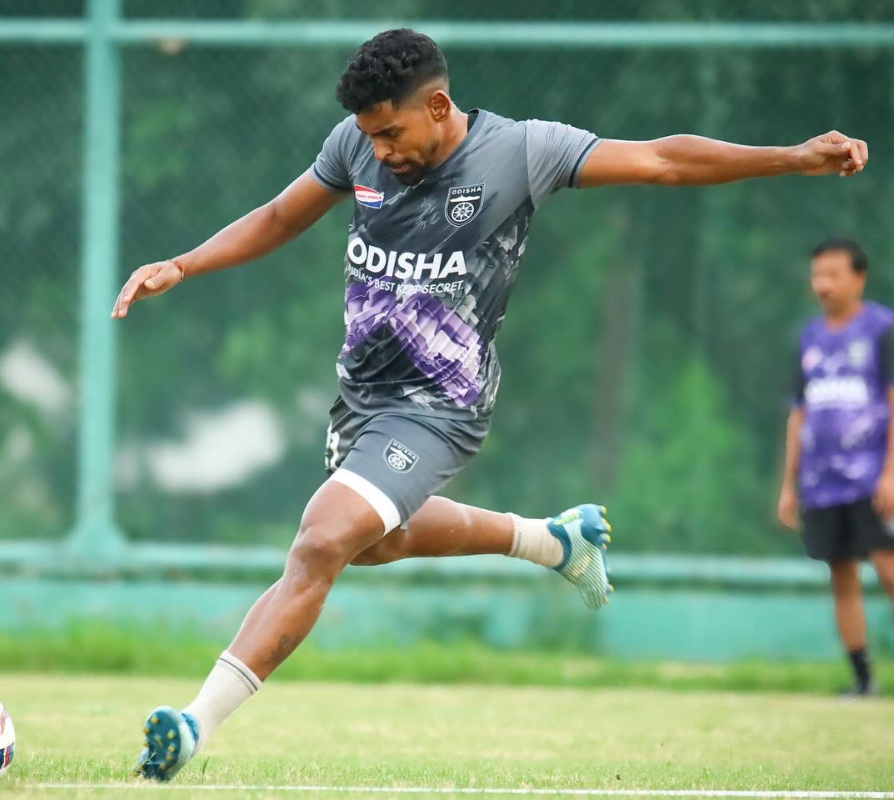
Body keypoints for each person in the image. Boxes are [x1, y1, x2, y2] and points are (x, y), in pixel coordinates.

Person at [112, 28, 869, 780]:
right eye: (369, 135)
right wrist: (183, 263)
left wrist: (792, 156)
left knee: (320, 541)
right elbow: (282, 215)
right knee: (373, 541)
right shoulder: (355, 143)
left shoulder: (521, 152)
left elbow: (663, 159)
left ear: (438, 104)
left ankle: (192, 726)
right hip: (362, 399)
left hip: (442, 402)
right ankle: (550, 541)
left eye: (390, 132)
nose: (377, 150)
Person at [778, 239, 894, 698]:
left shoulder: (882, 330)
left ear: (858, 278)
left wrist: (890, 473)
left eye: (833, 274)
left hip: (872, 479)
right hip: (821, 484)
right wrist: (789, 486)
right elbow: (798, 414)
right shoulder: (809, 337)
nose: (822, 285)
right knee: (841, 574)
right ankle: (862, 678)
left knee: (887, 569)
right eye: (816, 275)